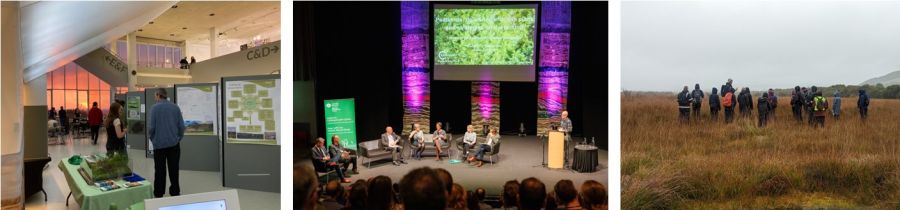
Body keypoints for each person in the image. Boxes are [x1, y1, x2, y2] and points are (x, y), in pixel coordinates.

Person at [147, 88, 185, 197]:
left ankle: (159, 193)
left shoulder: (154, 108)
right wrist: (178, 138)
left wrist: (152, 139)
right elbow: (181, 127)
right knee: (174, 169)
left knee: (159, 170)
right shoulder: (175, 107)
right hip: (174, 145)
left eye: (155, 96)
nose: (155, 98)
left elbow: (151, 128)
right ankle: (175, 191)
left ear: (158, 95)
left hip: (159, 145)